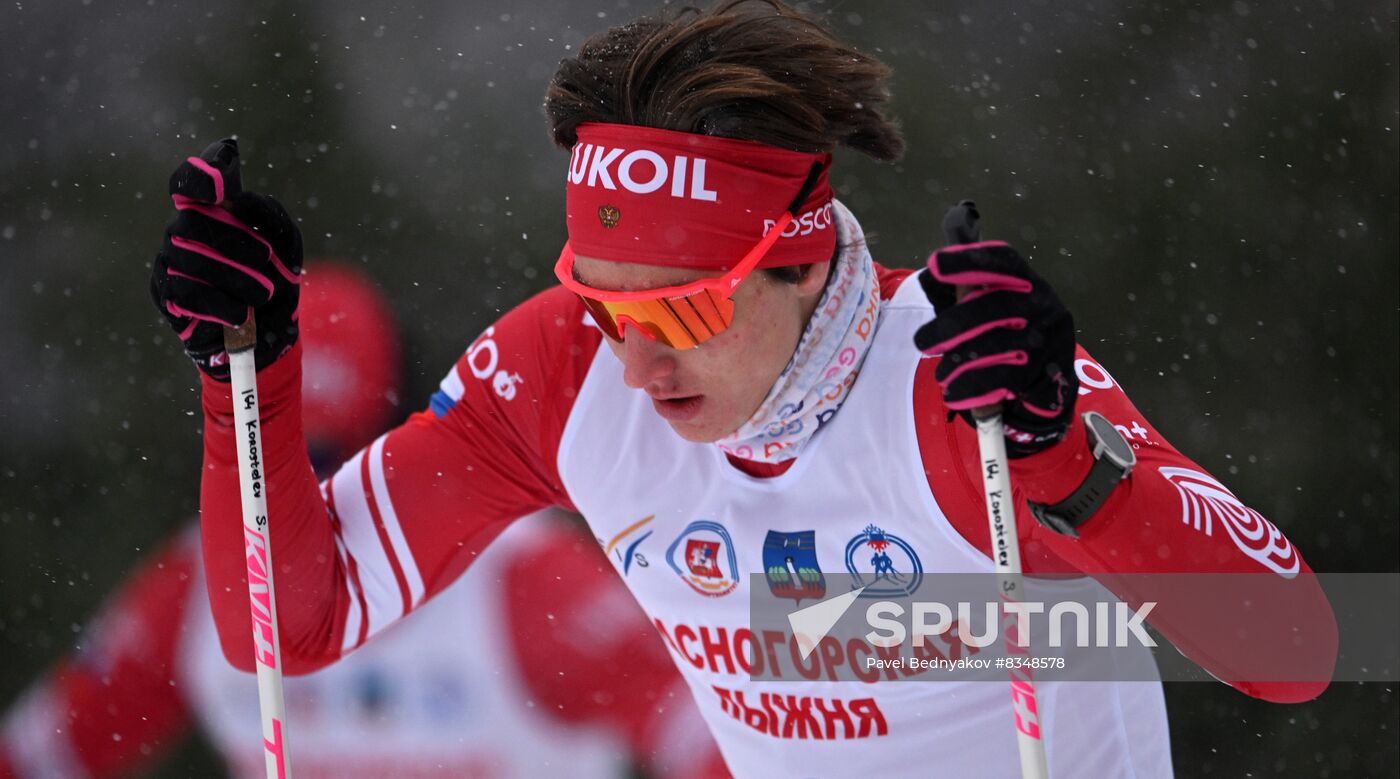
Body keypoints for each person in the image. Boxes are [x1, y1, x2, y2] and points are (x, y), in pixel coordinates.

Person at [143, 1, 1338, 777]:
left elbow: (1293, 646)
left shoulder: (961, 380)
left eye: (685, 309)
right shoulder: (564, 370)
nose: (634, 361)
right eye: (603, 302)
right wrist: (244, 374)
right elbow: (287, 628)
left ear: (804, 258)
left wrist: (1066, 459)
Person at [1, 264, 725, 779]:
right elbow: (50, 747)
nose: (308, 506)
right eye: (286, 470)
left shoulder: (524, 576)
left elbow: (702, 733)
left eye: (334, 463)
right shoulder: (202, 581)